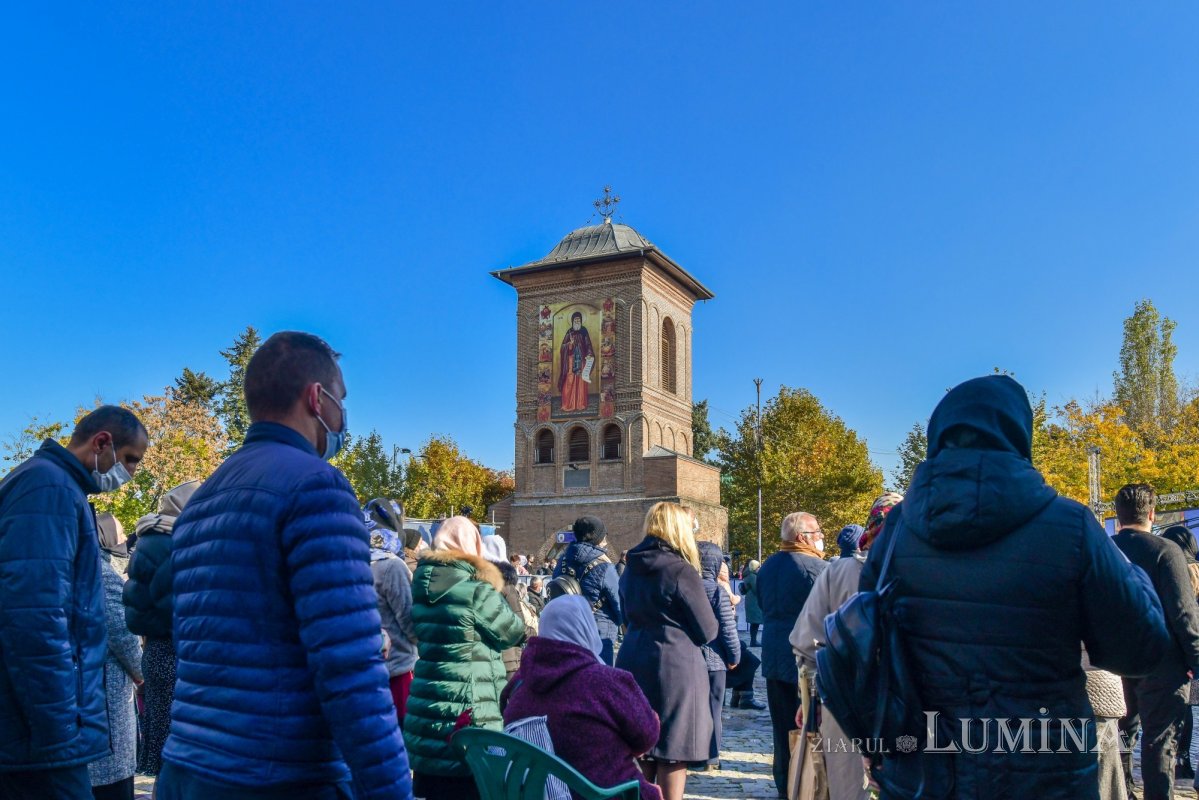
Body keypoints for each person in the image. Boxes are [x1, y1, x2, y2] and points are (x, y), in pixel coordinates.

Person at [860, 376, 1170, 798]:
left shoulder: (895, 532)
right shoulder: (1071, 526)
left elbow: (869, 645)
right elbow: (1141, 649)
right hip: (1046, 771)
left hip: (928, 771)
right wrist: (1133, 573)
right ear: (1020, 435)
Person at [159, 332, 411, 800]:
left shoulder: (202, 501)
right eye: (342, 400)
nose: (343, 417)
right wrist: (390, 790)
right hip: (279, 773)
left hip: (189, 767)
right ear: (318, 398)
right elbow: (349, 669)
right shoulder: (318, 487)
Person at [0, 405, 147, 800]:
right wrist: (60, 731)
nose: (131, 473)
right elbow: (34, 618)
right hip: (42, 737)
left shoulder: (52, 485)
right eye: (130, 459)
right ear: (102, 443)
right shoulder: (50, 490)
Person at [404, 516, 527, 800]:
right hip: (468, 708)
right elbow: (512, 631)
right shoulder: (475, 590)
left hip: (427, 704)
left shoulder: (420, 586)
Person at [502, 595, 662, 800]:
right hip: (606, 793)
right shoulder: (606, 682)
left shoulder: (518, 686)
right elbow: (646, 736)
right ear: (587, 628)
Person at [790, 502, 897, 800]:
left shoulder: (837, 572)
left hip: (845, 704)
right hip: (908, 704)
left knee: (849, 788)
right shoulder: (926, 573)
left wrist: (812, 697)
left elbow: (806, 643)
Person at [616, 502, 718, 800]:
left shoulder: (629, 567)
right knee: (673, 749)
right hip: (675, 662)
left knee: (642, 748)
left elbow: (625, 614)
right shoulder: (680, 570)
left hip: (634, 656)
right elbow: (707, 630)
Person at [1112, 485, 1199, 800]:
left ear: (1118, 514)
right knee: (1160, 741)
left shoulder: (1102, 550)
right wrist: (1196, 659)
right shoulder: (1166, 551)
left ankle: (1123, 791)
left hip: (1114, 661)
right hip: (1163, 664)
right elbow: (1183, 614)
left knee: (1121, 735)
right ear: (1151, 514)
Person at [121, 480, 201, 778]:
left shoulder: (148, 540)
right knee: (178, 749)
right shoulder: (174, 541)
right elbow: (178, 603)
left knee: (161, 743)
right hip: (176, 652)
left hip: (155, 651)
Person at [755, 511, 827, 797]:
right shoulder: (815, 568)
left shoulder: (768, 565)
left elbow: (761, 603)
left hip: (774, 655)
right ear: (802, 537)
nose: (822, 537)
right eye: (818, 532)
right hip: (805, 657)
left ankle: (784, 783)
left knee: (781, 727)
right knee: (809, 726)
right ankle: (807, 783)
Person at [89, 514, 144, 800]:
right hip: (106, 698)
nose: (123, 540)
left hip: (92, 697)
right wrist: (140, 672)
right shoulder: (103, 573)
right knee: (112, 780)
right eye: (120, 534)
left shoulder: (84, 568)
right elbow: (123, 634)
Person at [368, 511, 418, 724]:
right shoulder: (392, 565)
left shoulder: (355, 562)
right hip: (396, 667)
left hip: (368, 664)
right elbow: (408, 618)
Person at [554, 516, 624, 665]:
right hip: (599, 631)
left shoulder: (562, 561)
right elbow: (619, 604)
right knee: (600, 679)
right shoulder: (605, 566)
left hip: (568, 627)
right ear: (598, 537)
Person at [696, 541, 740, 771]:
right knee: (714, 708)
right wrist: (734, 656)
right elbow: (727, 628)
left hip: (689, 658)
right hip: (714, 658)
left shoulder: (684, 585)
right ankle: (711, 754)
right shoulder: (716, 591)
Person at [1161, 523, 1199, 782]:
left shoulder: (1164, 565)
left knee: (1177, 707)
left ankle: (1176, 758)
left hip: (1170, 648)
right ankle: (1184, 761)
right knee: (1187, 707)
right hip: (1193, 646)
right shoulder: (1195, 570)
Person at [497, 559, 539, 682]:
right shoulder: (507, 586)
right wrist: (533, 633)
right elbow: (517, 625)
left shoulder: (479, 584)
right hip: (509, 656)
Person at [558, 310, 595, 412]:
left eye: (579, 319)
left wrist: (589, 354)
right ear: (572, 321)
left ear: (581, 320)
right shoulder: (569, 332)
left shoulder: (584, 331)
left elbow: (588, 345)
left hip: (582, 360)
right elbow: (563, 348)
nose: (577, 321)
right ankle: (568, 405)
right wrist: (570, 344)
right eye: (576, 319)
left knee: (581, 383)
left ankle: (580, 404)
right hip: (570, 361)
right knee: (569, 381)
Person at [740, 559, 763, 647]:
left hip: (752, 601)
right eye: (758, 567)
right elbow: (757, 589)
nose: (759, 568)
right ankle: (753, 641)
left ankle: (753, 641)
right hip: (754, 602)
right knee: (755, 623)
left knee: (754, 623)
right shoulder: (752, 576)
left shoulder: (749, 575)